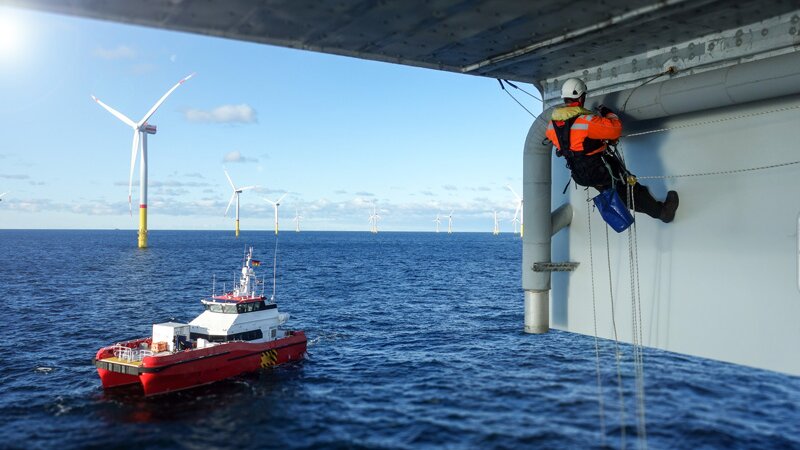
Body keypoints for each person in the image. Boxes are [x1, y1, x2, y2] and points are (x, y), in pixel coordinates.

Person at [546, 77, 679, 223]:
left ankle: (631, 205)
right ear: (582, 96)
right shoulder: (586, 121)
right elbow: (615, 128)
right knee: (631, 190)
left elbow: (573, 144)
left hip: (579, 175)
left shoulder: (552, 126)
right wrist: (606, 111)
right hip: (600, 171)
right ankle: (663, 213)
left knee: (616, 192)